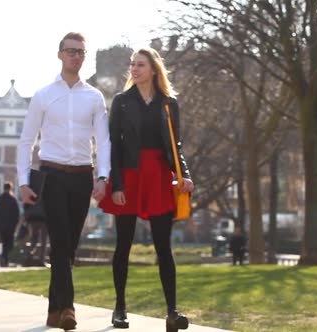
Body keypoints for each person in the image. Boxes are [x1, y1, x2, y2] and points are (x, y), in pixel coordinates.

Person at [17, 32, 110, 330]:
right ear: (60, 55)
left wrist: (103, 176)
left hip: (83, 177)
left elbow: (104, 142)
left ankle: (53, 308)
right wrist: (23, 182)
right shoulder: (43, 96)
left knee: (68, 246)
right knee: (59, 241)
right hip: (53, 176)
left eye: (81, 52)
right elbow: (26, 141)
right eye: (70, 51)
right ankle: (68, 308)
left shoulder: (94, 97)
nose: (76, 56)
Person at [98, 48, 194, 331]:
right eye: (132, 65)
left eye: (140, 65)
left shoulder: (168, 103)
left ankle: (172, 312)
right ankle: (119, 309)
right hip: (129, 175)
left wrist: (184, 175)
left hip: (159, 176)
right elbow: (112, 145)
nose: (134, 69)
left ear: (154, 69)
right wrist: (116, 184)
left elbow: (175, 146)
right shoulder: (122, 101)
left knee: (164, 247)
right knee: (123, 245)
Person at [0, 181, 20, 267]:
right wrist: (15, 224)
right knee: (10, 244)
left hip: (0, 225)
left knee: (4, 242)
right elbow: (16, 214)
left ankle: (5, 259)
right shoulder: (13, 200)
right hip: (10, 226)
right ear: (10, 188)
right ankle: (4, 257)